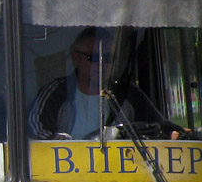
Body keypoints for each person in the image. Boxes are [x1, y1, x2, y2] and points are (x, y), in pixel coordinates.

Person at [28, 27, 176, 139]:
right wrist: (66, 146)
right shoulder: (56, 92)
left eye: (108, 58)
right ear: (76, 58)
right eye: (93, 57)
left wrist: (176, 134)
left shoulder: (128, 94)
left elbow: (161, 128)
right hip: (67, 175)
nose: (102, 63)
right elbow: (34, 129)